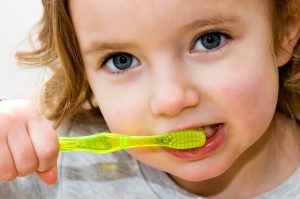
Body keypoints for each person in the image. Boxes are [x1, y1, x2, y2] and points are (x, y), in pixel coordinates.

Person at [1, 0, 300, 198]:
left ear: (284, 29)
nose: (171, 100)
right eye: (121, 61)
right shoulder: (57, 165)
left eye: (210, 40)